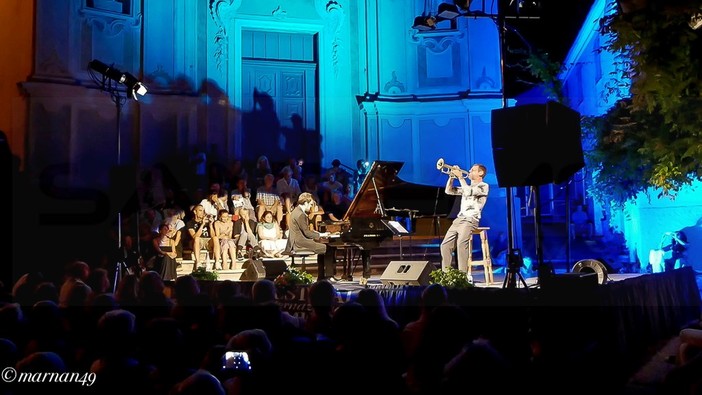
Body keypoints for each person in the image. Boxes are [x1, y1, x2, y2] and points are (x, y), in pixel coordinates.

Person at [440, 163, 489, 272]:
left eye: (473, 170)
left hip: (470, 219)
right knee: (445, 245)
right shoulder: (467, 186)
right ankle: (446, 275)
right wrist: (452, 177)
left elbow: (468, 192)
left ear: (480, 173)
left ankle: (462, 275)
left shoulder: (483, 186)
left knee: (461, 244)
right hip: (459, 219)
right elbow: (449, 191)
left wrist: (461, 177)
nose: (469, 171)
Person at [284, 192, 335, 281]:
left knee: (322, 248)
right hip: (299, 242)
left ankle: (322, 276)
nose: (311, 207)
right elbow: (307, 233)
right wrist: (321, 234)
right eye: (310, 204)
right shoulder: (301, 215)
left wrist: (316, 234)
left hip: (296, 240)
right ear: (305, 203)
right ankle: (329, 276)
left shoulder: (296, 211)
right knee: (329, 248)